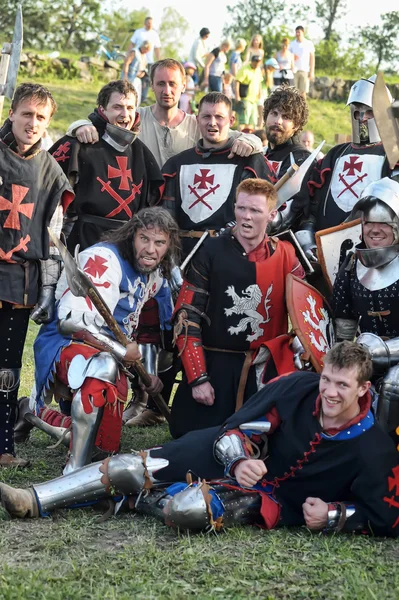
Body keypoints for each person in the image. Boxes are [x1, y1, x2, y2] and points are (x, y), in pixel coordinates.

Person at [4, 342, 399, 541]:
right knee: (129, 466)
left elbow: (388, 517)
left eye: (342, 385)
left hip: (277, 501)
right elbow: (240, 426)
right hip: (233, 459)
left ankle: (136, 498)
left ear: (364, 388)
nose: (328, 391)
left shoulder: (373, 447)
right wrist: (239, 459)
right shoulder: (299, 387)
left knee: (189, 510)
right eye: (327, 378)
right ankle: (33, 500)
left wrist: (333, 515)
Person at [15, 208, 178, 474]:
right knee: (103, 366)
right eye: (144, 239)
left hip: (112, 357)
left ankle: (30, 411)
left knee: (103, 447)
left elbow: (147, 326)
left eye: (159, 243)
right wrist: (120, 350)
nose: (150, 249)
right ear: (131, 237)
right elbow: (72, 322)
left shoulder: (157, 273)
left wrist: (148, 374)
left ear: (169, 245)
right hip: (65, 344)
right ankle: (74, 471)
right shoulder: (103, 260)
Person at [167, 177, 305, 438]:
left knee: (272, 444)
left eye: (255, 210)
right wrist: (198, 379)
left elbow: (306, 314)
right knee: (198, 440)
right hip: (216, 366)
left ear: (272, 215)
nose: (246, 217)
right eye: (241, 208)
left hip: (265, 369)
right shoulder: (210, 251)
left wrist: (299, 352)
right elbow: (187, 317)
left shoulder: (287, 254)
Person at [0, 83, 74, 467]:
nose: (32, 123)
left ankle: (3, 448)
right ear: (11, 113)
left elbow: (53, 236)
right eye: (26, 114)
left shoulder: (50, 171)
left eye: (41, 117)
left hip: (18, 278)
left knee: (8, 366)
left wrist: (47, 292)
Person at [69, 59, 263, 170]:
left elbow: (251, 139)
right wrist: (80, 126)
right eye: (161, 84)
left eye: (172, 84)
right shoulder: (134, 118)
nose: (167, 90)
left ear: (183, 87)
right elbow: (98, 123)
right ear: (152, 85)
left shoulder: (198, 125)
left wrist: (249, 143)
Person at [50, 80, 164, 252]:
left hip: (127, 244)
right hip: (81, 240)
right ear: (102, 110)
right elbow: (47, 185)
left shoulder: (141, 153)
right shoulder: (80, 144)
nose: (125, 114)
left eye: (130, 108)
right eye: (117, 107)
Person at [291, 75, 397, 256]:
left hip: (375, 254)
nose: (362, 118)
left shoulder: (392, 156)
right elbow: (313, 206)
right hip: (323, 252)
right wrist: (308, 239)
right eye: (357, 111)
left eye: (370, 111)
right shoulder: (335, 154)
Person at [162, 92, 271, 259]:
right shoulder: (177, 164)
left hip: (232, 253)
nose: (212, 123)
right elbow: (165, 218)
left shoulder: (249, 162)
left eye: (219, 117)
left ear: (231, 120)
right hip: (183, 254)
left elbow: (263, 214)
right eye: (206, 116)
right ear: (197, 119)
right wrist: (168, 259)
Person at [332, 178, 399, 440]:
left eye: (383, 222)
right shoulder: (352, 262)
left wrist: (381, 350)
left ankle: (381, 449)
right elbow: (343, 319)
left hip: (391, 357)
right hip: (365, 354)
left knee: (395, 381)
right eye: (369, 222)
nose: (374, 229)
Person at [127, 17, 161, 103]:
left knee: (146, 80)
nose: (150, 25)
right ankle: (130, 95)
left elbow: (157, 49)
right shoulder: (139, 32)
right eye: (148, 23)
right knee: (134, 77)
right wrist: (128, 54)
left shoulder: (154, 34)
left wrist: (159, 60)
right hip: (137, 59)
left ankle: (142, 98)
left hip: (149, 60)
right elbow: (132, 43)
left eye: (151, 23)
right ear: (145, 23)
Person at [234, 55, 263, 128]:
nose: (257, 64)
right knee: (243, 122)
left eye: (258, 62)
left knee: (252, 122)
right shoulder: (244, 69)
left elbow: (259, 82)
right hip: (245, 99)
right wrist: (237, 95)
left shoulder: (258, 70)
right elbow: (237, 82)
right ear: (252, 61)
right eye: (255, 62)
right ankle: (239, 138)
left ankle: (249, 138)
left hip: (254, 100)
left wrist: (260, 92)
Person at [121, 41, 150, 107]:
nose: (147, 51)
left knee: (137, 97)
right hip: (130, 77)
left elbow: (144, 68)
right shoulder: (134, 52)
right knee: (127, 94)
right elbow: (126, 63)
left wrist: (143, 79)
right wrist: (125, 76)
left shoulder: (144, 56)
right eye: (146, 49)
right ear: (143, 47)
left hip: (138, 79)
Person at [289, 26, 315, 99]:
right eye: (296, 32)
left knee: (303, 92)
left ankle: (303, 109)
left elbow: (312, 58)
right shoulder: (292, 44)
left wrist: (312, 71)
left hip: (305, 70)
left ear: (303, 33)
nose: (297, 34)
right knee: (293, 92)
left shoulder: (309, 43)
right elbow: (288, 55)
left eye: (299, 32)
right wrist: (292, 56)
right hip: (294, 71)